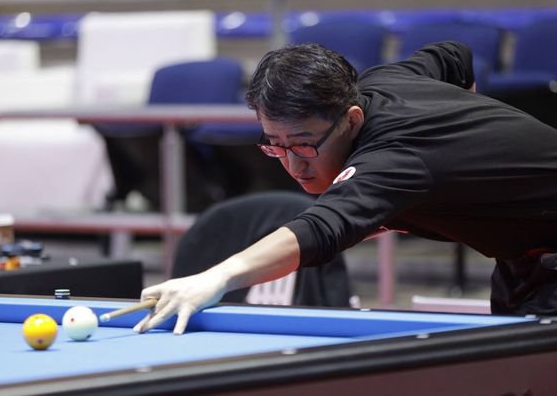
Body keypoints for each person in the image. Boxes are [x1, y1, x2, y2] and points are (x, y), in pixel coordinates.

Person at [133, 41, 557, 334]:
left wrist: (217, 277)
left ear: (351, 120)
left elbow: (320, 229)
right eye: (275, 145)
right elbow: (452, 56)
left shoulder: (392, 160)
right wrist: (467, 156)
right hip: (522, 260)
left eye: (304, 144)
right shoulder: (383, 81)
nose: (293, 164)